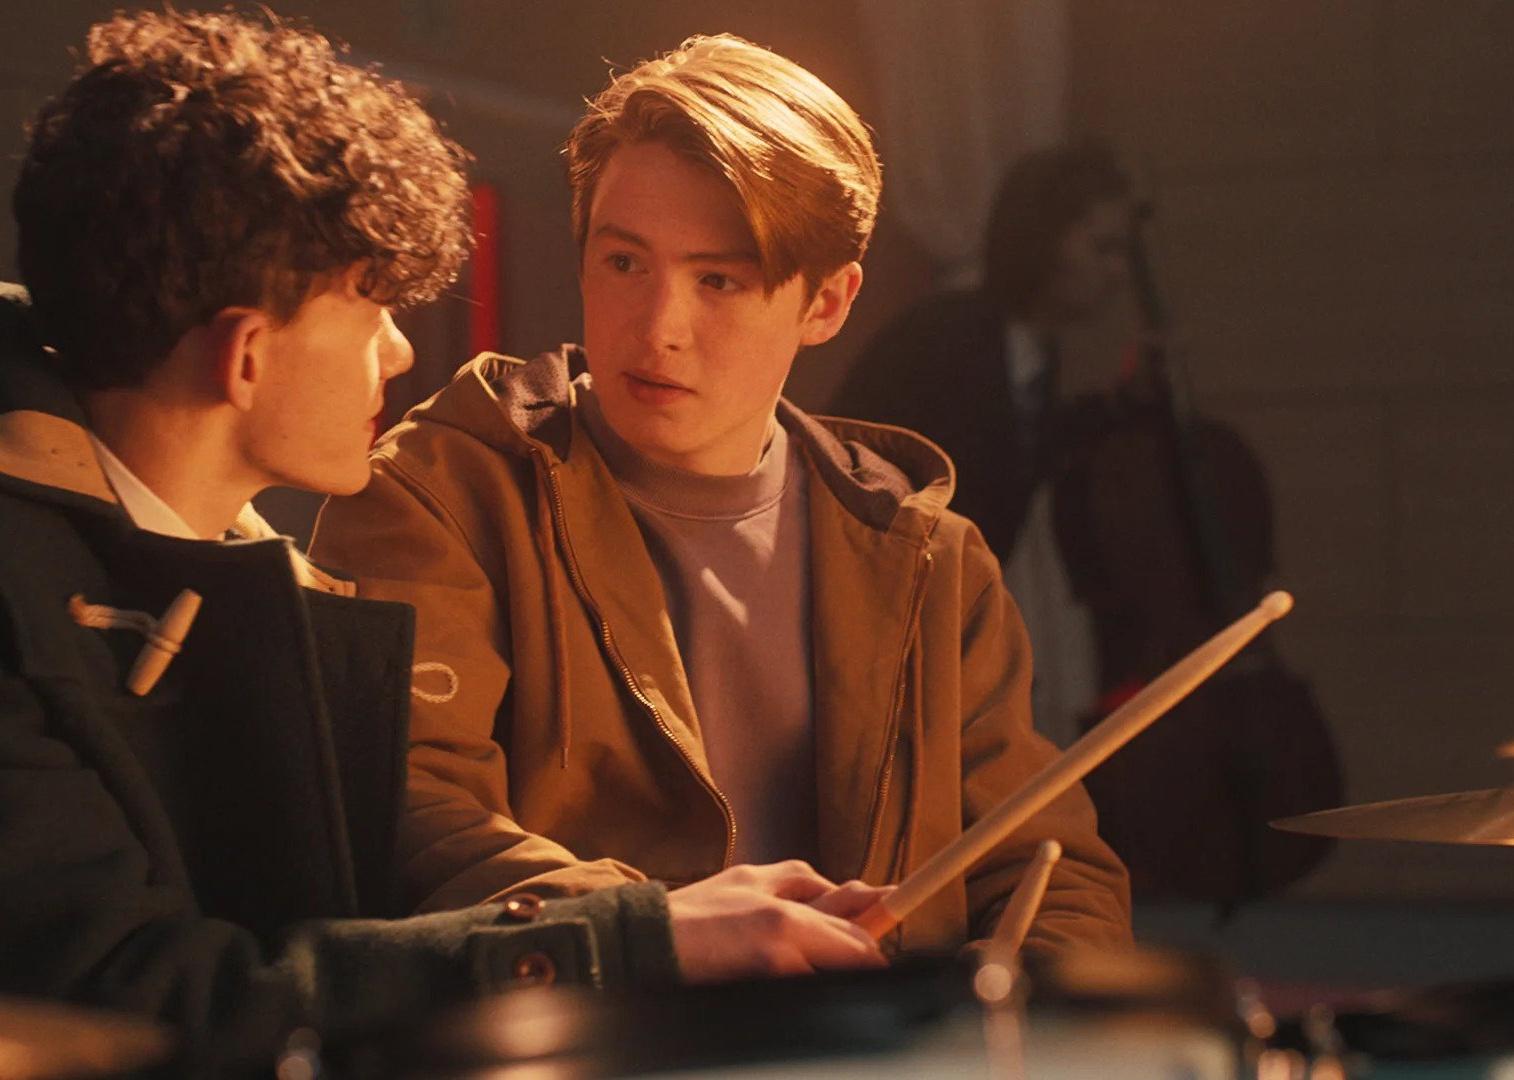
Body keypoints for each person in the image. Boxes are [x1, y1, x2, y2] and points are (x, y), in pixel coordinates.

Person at [0, 13, 888, 1073]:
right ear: (244, 357)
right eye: (370, 304)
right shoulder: (25, 602)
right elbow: (144, 999)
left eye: (719, 278)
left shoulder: (238, 573)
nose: (397, 348)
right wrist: (630, 941)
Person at [313, 36, 1131, 959]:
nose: (659, 328)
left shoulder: (930, 563)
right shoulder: (440, 496)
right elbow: (411, 817)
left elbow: (1050, 870)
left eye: (718, 280)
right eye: (625, 263)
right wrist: (655, 938)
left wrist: (1028, 1018)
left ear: (827, 304)